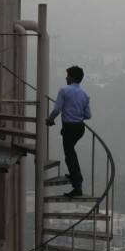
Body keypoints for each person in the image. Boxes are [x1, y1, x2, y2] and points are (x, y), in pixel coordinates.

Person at [46, 65, 91, 198]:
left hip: (69, 128)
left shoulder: (64, 90)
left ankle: (77, 186)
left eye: (68, 75)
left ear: (72, 78)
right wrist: (77, 113)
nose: (66, 78)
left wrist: (49, 119)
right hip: (80, 128)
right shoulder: (85, 94)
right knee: (71, 153)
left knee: (69, 155)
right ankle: (74, 176)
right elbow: (88, 115)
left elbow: (57, 109)